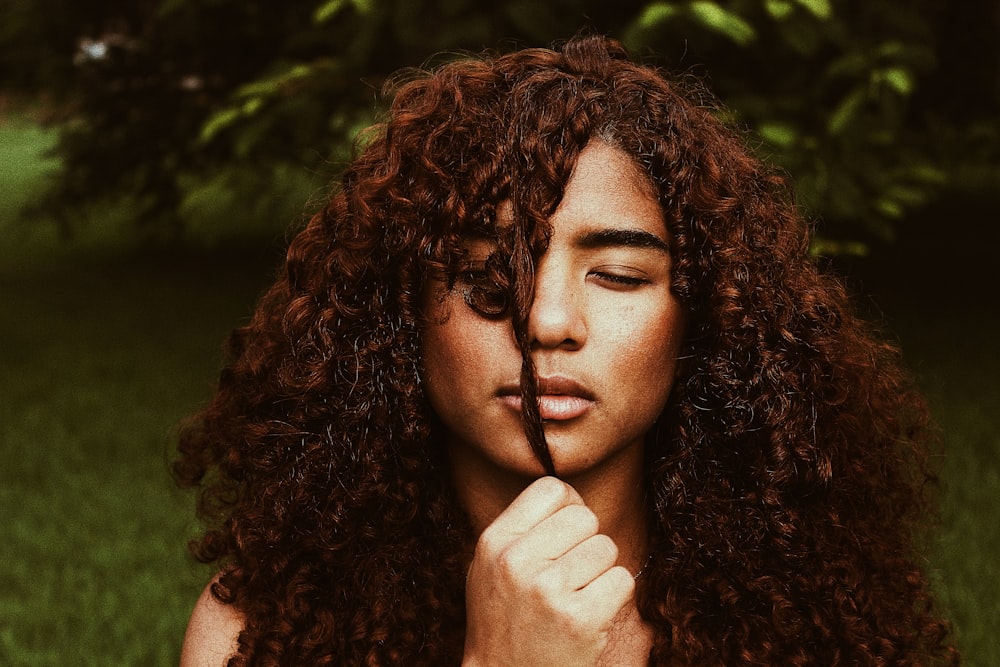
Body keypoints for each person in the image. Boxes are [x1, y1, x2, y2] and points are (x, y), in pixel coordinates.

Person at [175, 34, 957, 666]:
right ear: (397, 310)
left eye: (618, 275)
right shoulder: (254, 635)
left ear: (704, 318)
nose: (547, 320)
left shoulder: (813, 622)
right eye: (486, 272)